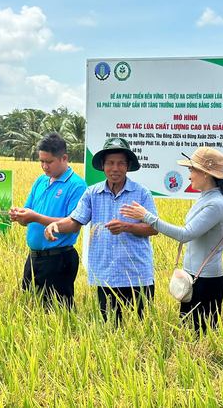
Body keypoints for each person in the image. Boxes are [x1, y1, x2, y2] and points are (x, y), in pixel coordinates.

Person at [120, 147, 223, 333]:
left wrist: (147, 217)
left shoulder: (216, 203)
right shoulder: (205, 199)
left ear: (205, 173)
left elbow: (185, 234)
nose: (189, 176)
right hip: (193, 278)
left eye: (191, 170)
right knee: (189, 335)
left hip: (206, 281)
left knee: (201, 337)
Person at [44, 137, 158, 323]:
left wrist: (126, 226)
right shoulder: (92, 193)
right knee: (109, 329)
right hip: (106, 275)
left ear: (128, 166)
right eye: (110, 163)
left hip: (137, 275)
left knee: (138, 330)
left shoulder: (141, 193)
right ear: (103, 166)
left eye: (121, 163)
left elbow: (154, 229)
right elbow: (75, 222)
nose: (115, 168)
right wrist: (55, 226)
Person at [9, 132, 87, 308]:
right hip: (34, 258)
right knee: (30, 309)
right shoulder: (40, 181)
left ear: (64, 158)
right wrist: (19, 216)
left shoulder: (77, 185)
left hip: (59, 259)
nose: (45, 166)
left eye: (49, 162)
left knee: (57, 315)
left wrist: (35, 217)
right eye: (41, 161)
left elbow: (73, 224)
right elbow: (26, 218)